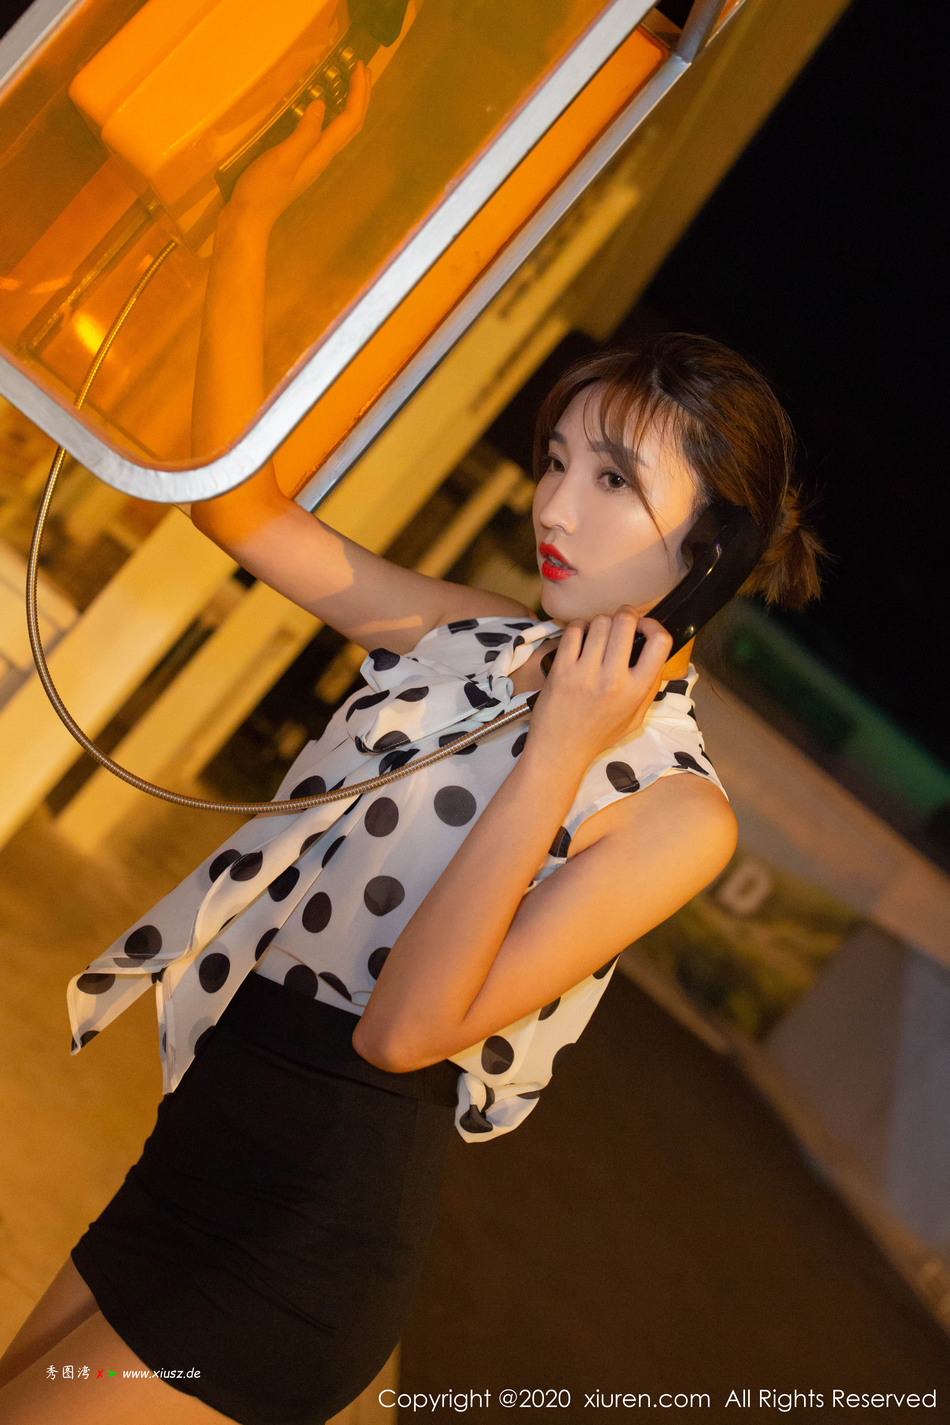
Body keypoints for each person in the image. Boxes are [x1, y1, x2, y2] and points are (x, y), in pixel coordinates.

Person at [0, 63, 822, 1425]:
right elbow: (239, 512)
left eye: (612, 479)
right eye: (555, 459)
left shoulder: (677, 814)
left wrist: (560, 746)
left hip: (294, 1251)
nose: (553, 503)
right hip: (193, 1158)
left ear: (713, 550)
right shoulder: (478, 641)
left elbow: (405, 1030)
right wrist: (254, 218)